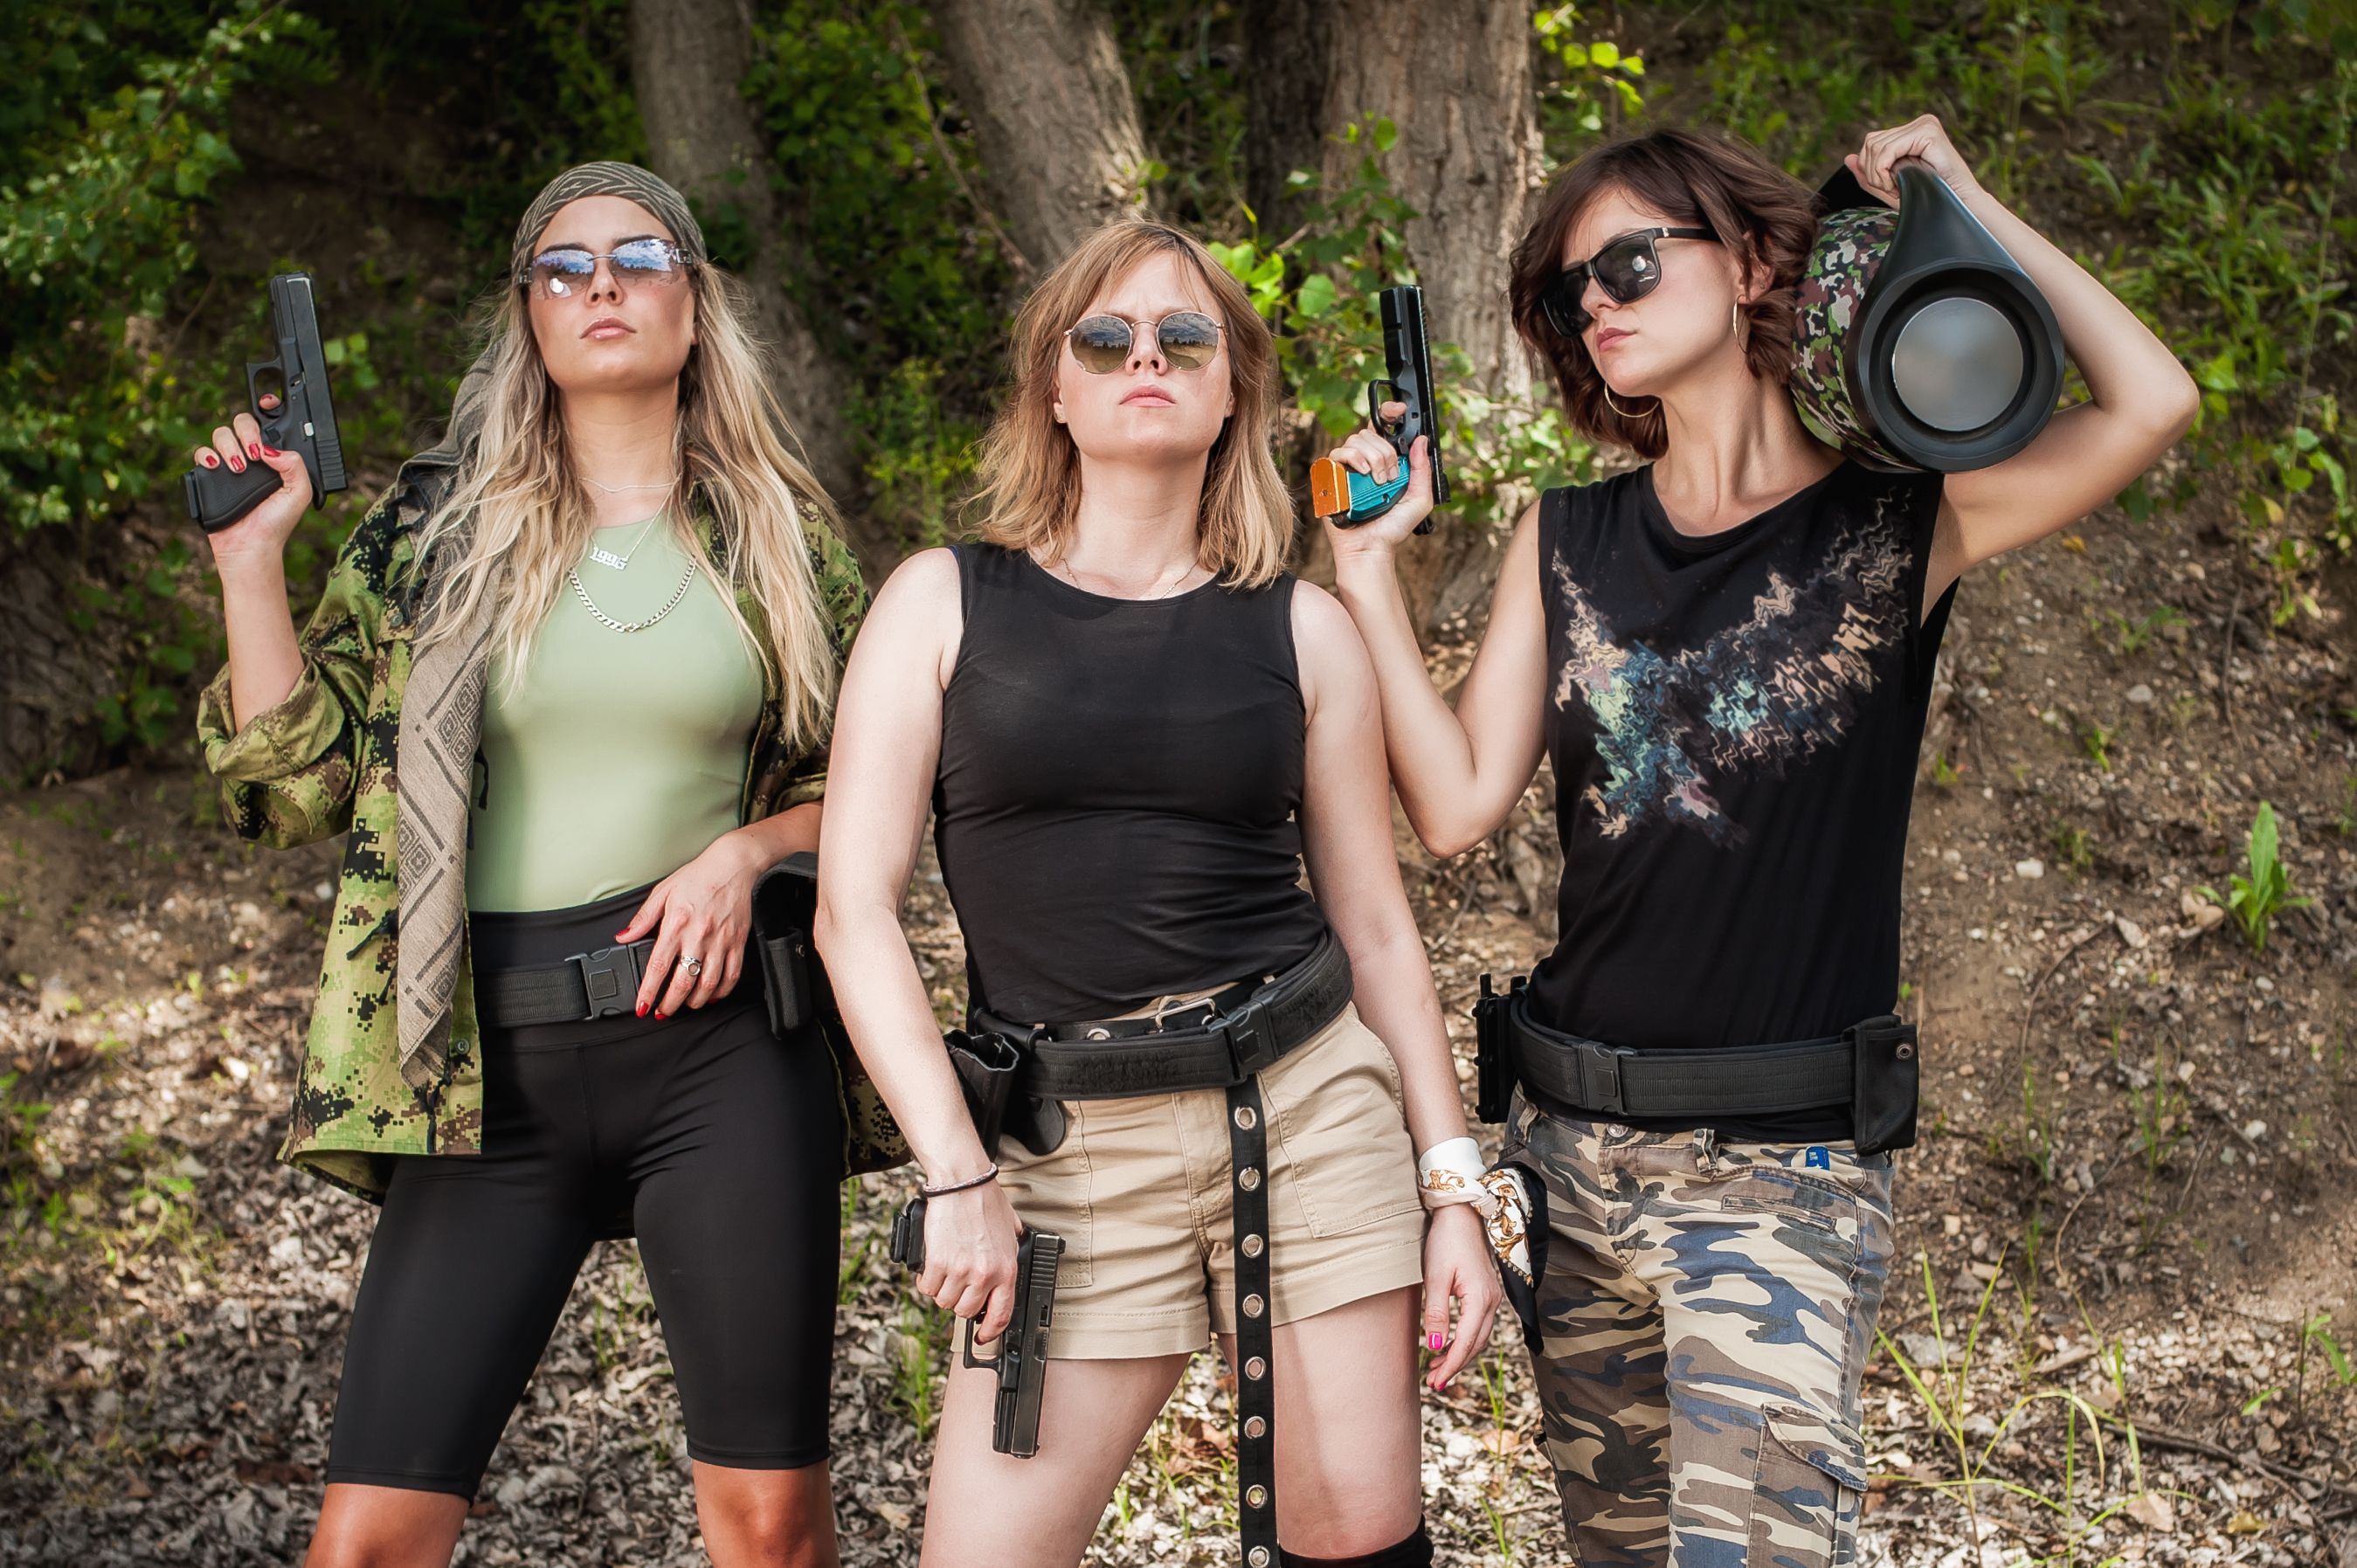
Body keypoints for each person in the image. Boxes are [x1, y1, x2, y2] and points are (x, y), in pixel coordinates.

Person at [1319, 118, 2197, 1568]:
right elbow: (1458, 803)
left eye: (1622, 261)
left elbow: (2150, 399)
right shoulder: (1566, 536)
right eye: (1562, 291)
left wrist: (1960, 197)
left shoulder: (1897, 523)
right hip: (1569, 1155)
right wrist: (1366, 569)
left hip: (1777, 1177)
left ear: (1742, 265)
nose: (1591, 300)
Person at [192, 162, 872, 1568]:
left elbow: (881, 789)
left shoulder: (782, 538)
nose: (602, 284)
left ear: (695, 301)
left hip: (720, 1052)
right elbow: (299, 789)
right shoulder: (435, 535)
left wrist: (748, 854)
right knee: (365, 1542)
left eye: (638, 256)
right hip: (477, 1066)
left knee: (768, 1525)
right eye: (565, 266)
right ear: (527, 315)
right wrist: (251, 563)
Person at [814, 218, 1503, 1568]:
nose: (1146, 358)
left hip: (1303, 1112)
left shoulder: (1300, 629)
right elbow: (852, 910)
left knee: (1355, 1537)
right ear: (1054, 386)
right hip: (1070, 1147)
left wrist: (1454, 1191)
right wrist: (956, 1174)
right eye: (1105, 337)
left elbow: (1373, 928)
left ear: (1231, 390)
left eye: (1184, 338)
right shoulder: (940, 603)